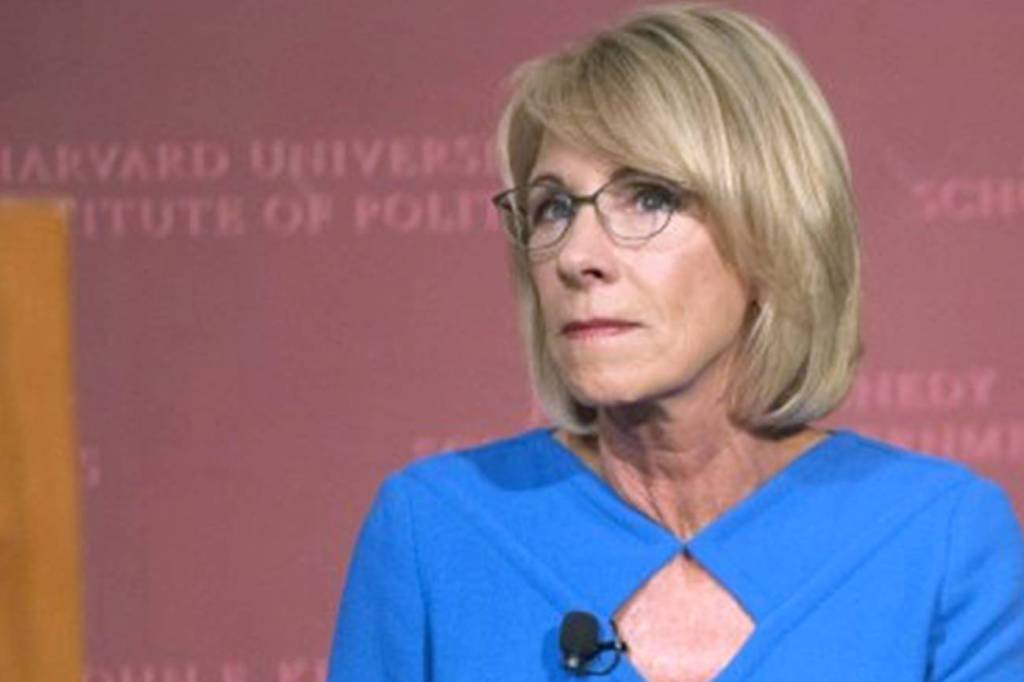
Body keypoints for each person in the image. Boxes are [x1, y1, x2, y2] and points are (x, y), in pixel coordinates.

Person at [326, 4, 1024, 680]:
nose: (577, 256)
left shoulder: (938, 541)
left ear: (775, 232)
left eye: (650, 198)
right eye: (554, 208)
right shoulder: (434, 533)